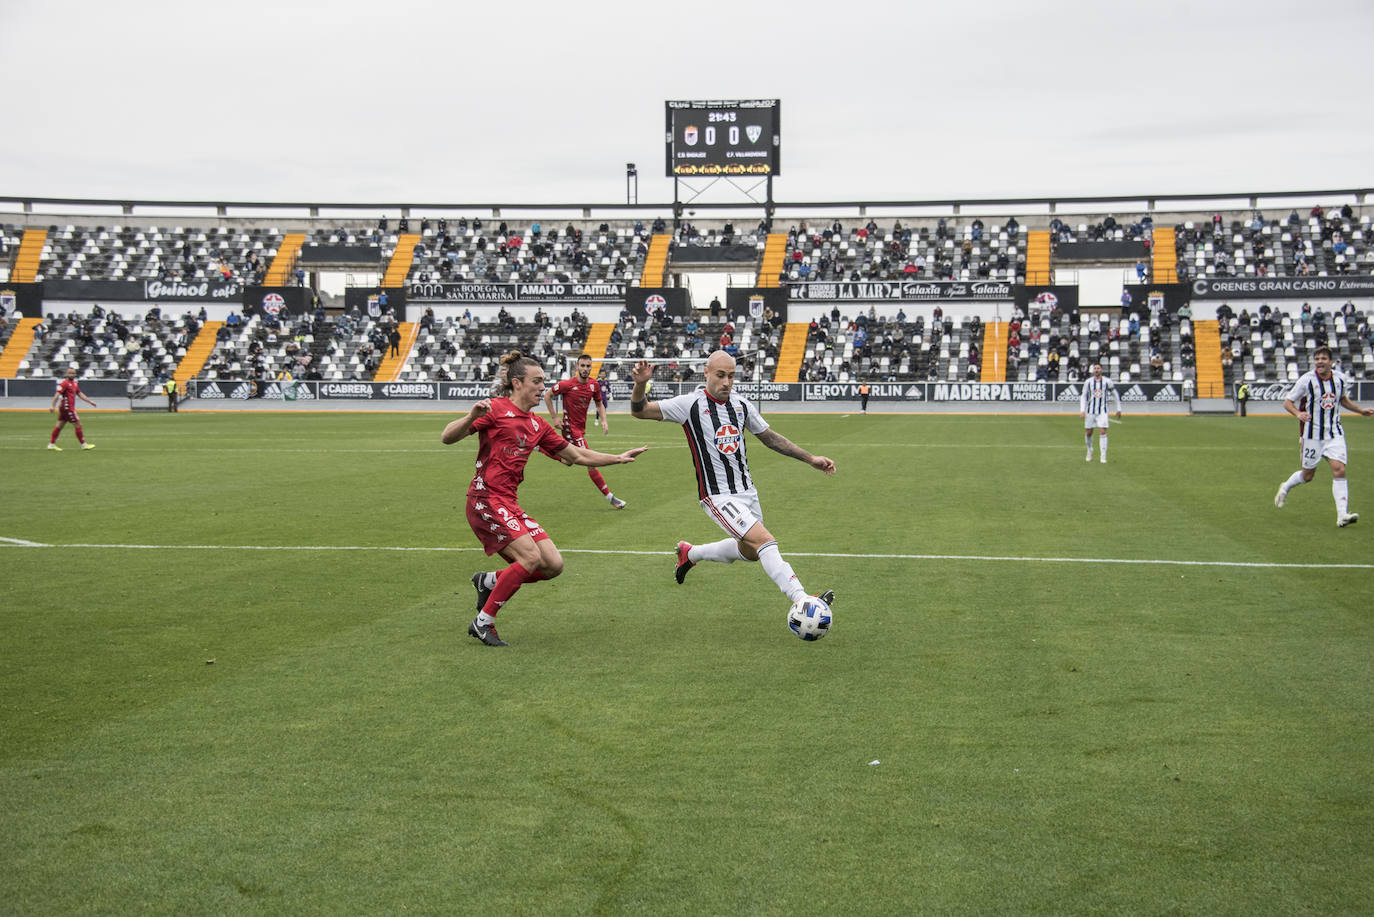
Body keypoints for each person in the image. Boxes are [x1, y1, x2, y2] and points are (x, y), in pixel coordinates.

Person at [443, 350, 648, 646]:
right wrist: (470, 417)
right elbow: (447, 437)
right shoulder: (495, 409)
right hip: (485, 499)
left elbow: (576, 454)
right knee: (529, 557)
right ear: (517, 383)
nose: (543, 387)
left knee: (552, 564)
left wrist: (617, 458)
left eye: (543, 381)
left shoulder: (537, 425)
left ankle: (489, 581)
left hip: (508, 503)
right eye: (537, 382)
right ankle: (483, 622)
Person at [628, 351, 836, 611]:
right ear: (706, 373)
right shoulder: (689, 405)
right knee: (764, 540)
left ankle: (690, 554)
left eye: (731, 376)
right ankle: (802, 598)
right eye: (720, 375)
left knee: (750, 552)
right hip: (718, 496)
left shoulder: (741, 404)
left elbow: (770, 438)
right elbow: (641, 411)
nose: (726, 382)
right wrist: (639, 384)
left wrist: (810, 458)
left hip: (747, 492)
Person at [1274, 346, 1374, 527]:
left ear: (1331, 362)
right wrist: (1298, 414)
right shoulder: (1307, 380)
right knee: (1308, 475)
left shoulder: (1340, 379)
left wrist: (1360, 411)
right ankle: (1285, 487)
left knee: (1339, 469)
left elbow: (1342, 399)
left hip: (1334, 433)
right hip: (1311, 435)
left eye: (1323, 358)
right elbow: (1287, 402)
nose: (1319, 361)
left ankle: (1342, 515)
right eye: (1317, 358)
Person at [543, 353, 627, 509]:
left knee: (568, 461)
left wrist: (604, 420)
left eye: (588, 366)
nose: (585, 369)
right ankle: (611, 498)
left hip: (580, 429)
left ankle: (540, 447)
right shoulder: (567, 384)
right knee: (590, 461)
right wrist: (555, 418)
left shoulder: (594, 385)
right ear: (577, 367)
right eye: (582, 365)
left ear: (591, 367)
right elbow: (547, 395)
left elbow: (599, 403)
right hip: (570, 429)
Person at [1079, 362, 1122, 463]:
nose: (1096, 370)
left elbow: (1115, 394)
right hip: (1090, 411)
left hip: (1103, 411)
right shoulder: (1088, 382)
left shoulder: (1107, 382)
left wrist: (1118, 409)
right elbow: (1083, 396)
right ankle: (1089, 450)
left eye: (1098, 368)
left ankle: (1103, 455)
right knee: (1088, 433)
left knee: (1103, 431)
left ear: (1101, 370)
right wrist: (1082, 410)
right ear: (1093, 370)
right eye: (1095, 368)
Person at [48, 366, 97, 451]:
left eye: (73, 373)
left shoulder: (74, 384)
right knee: (78, 424)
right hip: (68, 408)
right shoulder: (64, 383)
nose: (72, 374)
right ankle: (84, 445)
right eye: (70, 373)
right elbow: (57, 395)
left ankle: (51, 445)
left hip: (64, 408)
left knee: (59, 425)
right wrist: (52, 406)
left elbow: (80, 394)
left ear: (75, 374)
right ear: (67, 374)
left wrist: (90, 401)